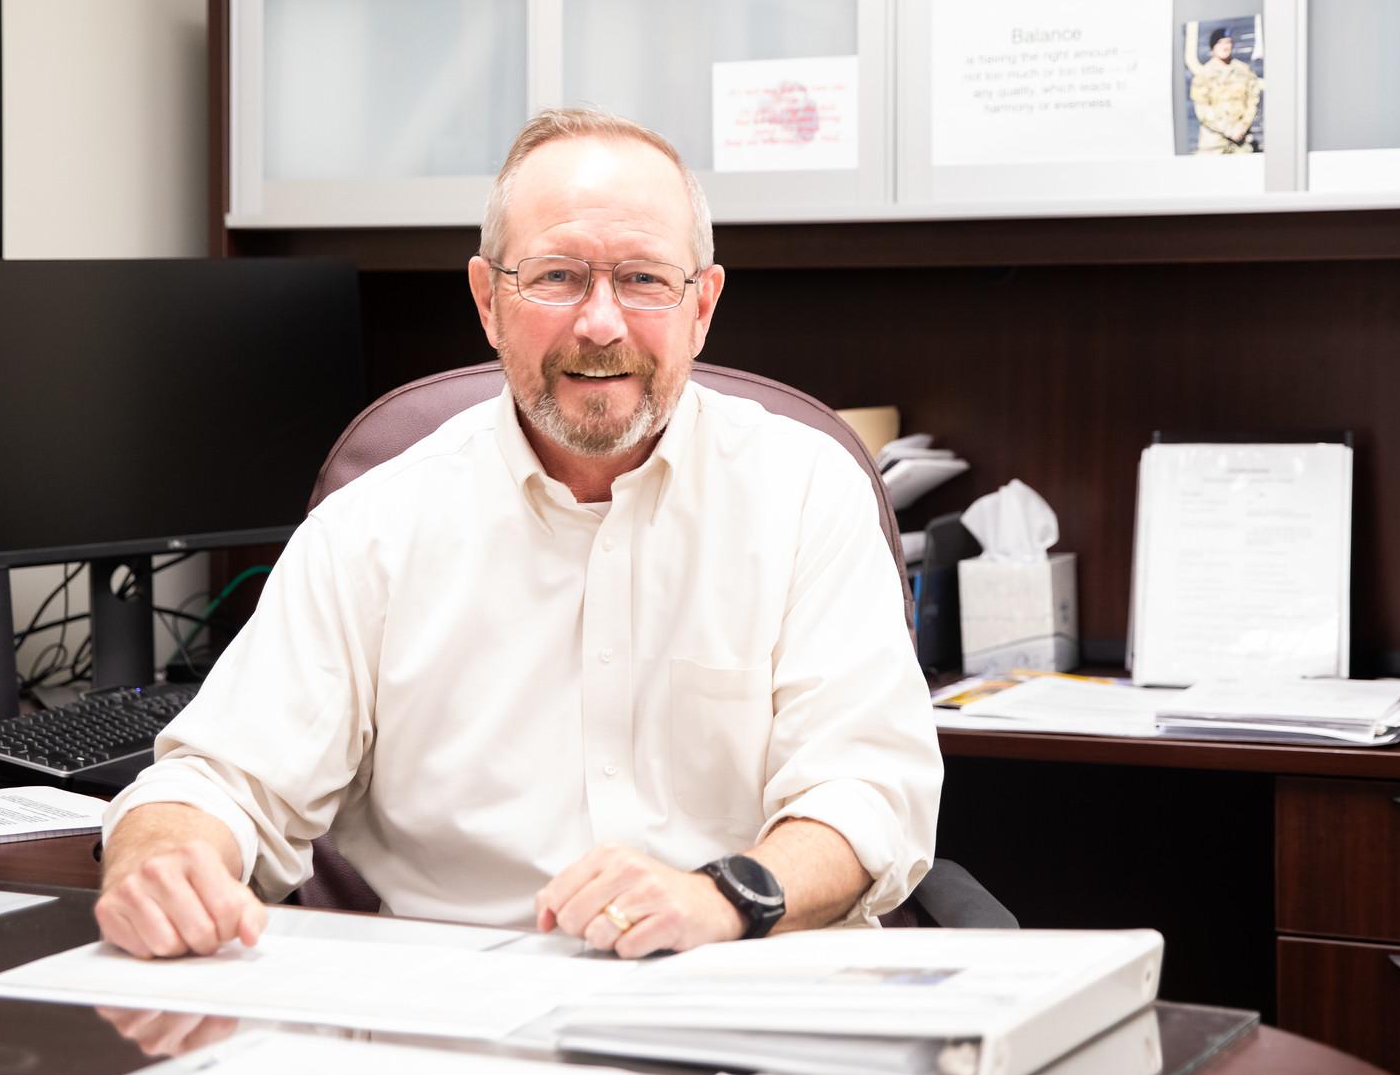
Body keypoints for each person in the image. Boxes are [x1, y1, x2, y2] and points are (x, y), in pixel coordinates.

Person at [94, 107, 943, 961]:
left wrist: (719, 897)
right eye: (557, 278)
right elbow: (220, 780)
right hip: (451, 1013)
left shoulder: (804, 494)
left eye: (644, 279)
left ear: (702, 306)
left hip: (742, 984)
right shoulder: (375, 526)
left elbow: (868, 792)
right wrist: (163, 863)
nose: (601, 324)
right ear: (488, 300)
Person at [1189, 28, 1262, 155]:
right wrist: (1229, 129)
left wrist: (1242, 126)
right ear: (1213, 46)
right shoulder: (1204, 74)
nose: (1225, 47)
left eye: (1228, 42)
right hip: (1213, 144)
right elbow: (1203, 110)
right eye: (1220, 43)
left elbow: (1253, 101)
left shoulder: (1244, 71)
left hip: (1241, 141)